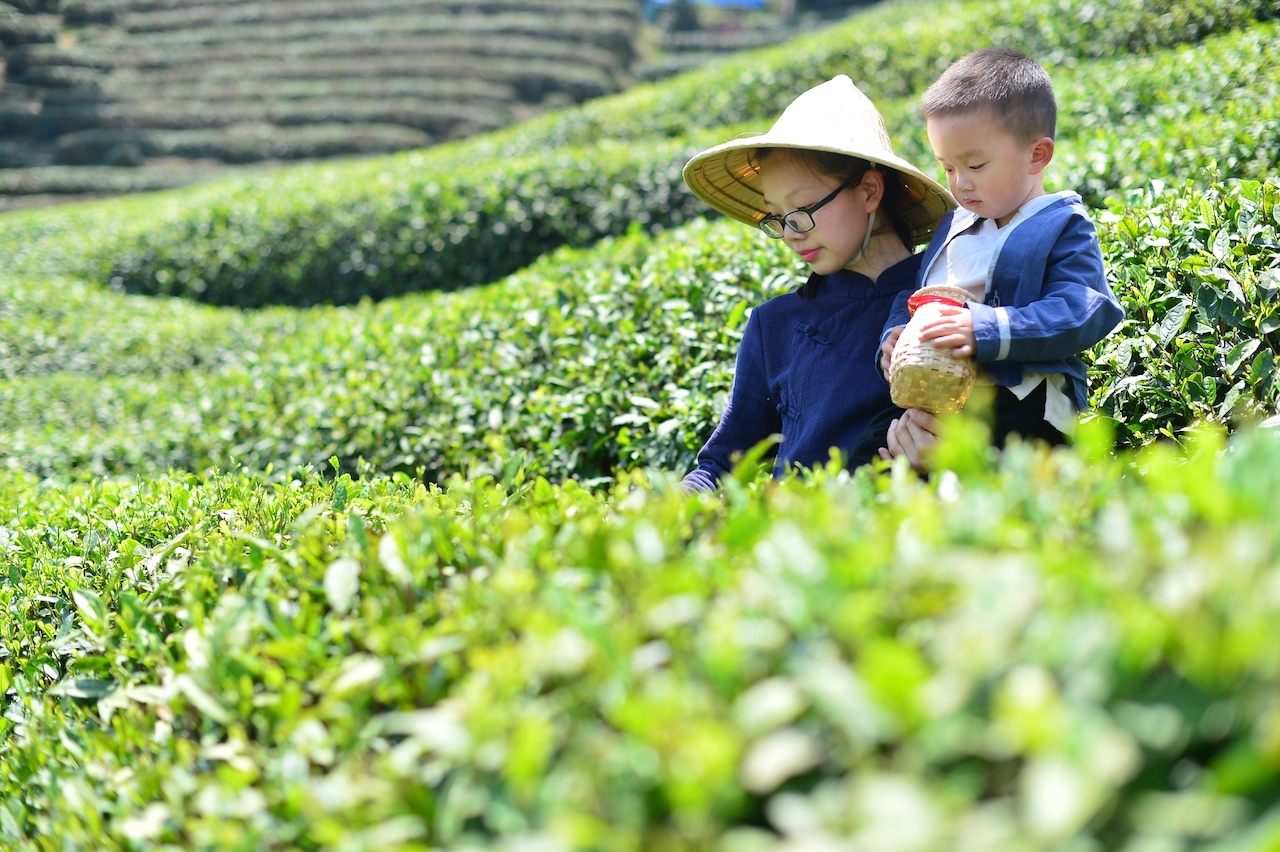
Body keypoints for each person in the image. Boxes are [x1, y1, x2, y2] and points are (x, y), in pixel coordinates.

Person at [679, 74, 955, 491]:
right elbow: (720, 466)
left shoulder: (947, 296)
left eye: (803, 208)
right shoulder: (774, 324)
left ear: (868, 191)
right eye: (776, 216)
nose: (790, 232)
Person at [878, 47, 1123, 465]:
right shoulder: (951, 226)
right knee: (876, 446)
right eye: (948, 168)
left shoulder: (1061, 224)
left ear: (1037, 155)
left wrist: (983, 328)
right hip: (946, 400)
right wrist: (896, 333)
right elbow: (919, 296)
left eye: (976, 165)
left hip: (1024, 408)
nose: (960, 183)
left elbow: (1083, 310)